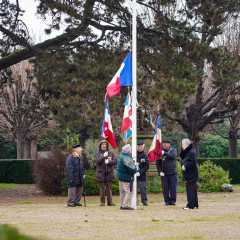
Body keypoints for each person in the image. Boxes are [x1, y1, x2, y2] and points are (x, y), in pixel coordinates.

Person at [95, 140, 117, 206]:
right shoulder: (98, 153)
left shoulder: (111, 153)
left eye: (105, 144)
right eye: (103, 144)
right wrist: (103, 156)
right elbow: (97, 161)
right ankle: (102, 202)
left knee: (109, 189)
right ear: (100, 145)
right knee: (102, 189)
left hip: (109, 173)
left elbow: (115, 161)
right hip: (101, 173)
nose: (104, 146)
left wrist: (109, 162)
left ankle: (110, 202)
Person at [156, 139, 178, 206]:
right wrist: (160, 171)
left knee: (173, 188)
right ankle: (167, 200)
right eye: (163, 144)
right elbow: (158, 163)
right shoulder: (161, 152)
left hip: (172, 173)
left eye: (165, 144)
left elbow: (173, 156)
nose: (164, 145)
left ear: (169, 144)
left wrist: (165, 153)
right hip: (164, 173)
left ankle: (173, 200)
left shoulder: (173, 150)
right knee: (165, 188)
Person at [180, 138, 199, 210]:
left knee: (190, 190)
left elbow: (193, 162)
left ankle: (190, 205)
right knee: (192, 190)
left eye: (183, 145)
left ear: (187, 145)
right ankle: (195, 204)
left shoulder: (191, 152)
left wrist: (185, 166)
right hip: (189, 174)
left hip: (191, 175)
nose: (182, 146)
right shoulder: (187, 152)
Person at [117, 144, 137, 210]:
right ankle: (125, 205)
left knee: (122, 192)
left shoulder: (121, 156)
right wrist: (136, 167)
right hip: (126, 178)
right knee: (130, 191)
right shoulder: (127, 158)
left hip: (121, 177)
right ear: (129, 151)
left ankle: (122, 204)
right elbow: (132, 170)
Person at [136, 141, 149, 205]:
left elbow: (146, 166)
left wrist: (140, 173)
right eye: (138, 146)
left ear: (143, 147)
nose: (140, 148)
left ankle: (144, 200)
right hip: (134, 173)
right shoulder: (134, 154)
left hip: (142, 175)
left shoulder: (145, 155)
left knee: (143, 188)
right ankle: (135, 200)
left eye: (141, 147)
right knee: (134, 188)